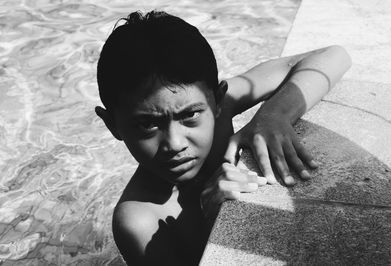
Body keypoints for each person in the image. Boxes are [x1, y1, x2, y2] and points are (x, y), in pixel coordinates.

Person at [95, 10, 351, 265]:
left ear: (217, 100)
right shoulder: (140, 221)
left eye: (190, 116)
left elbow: (334, 56)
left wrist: (273, 116)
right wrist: (217, 223)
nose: (175, 143)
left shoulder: (216, 107)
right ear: (112, 125)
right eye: (148, 124)